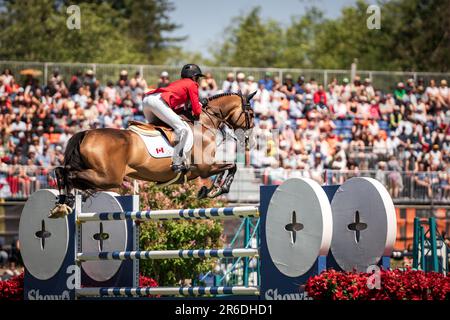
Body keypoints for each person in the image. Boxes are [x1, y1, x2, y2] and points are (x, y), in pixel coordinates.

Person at [143, 64, 208, 173]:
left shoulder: (179, 83)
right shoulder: (192, 84)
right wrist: (201, 107)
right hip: (158, 102)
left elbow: (175, 110)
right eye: (198, 78)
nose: (198, 80)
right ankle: (177, 162)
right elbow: (197, 111)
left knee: (158, 129)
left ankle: (158, 154)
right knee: (184, 130)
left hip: (148, 100)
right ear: (194, 77)